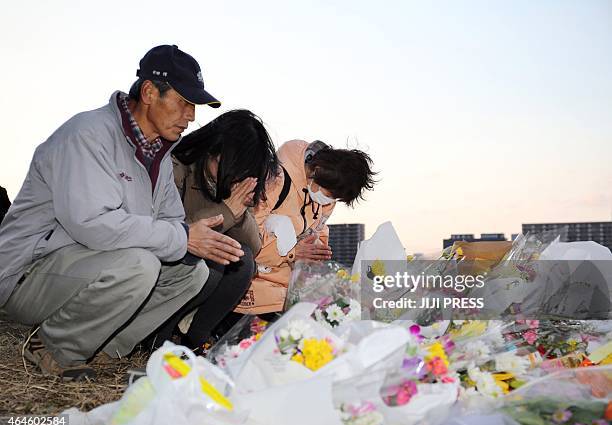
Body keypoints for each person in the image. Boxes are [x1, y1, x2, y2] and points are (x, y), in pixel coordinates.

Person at [0, 45, 244, 380]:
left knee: (193, 272)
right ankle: (54, 346)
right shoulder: (87, 135)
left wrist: (189, 236)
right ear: (148, 92)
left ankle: (105, 348)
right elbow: (93, 225)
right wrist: (184, 236)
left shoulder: (155, 153)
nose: (191, 115)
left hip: (81, 267)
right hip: (25, 277)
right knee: (140, 265)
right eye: (184, 102)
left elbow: (171, 222)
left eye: (194, 107)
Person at [145, 109, 279, 350]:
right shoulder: (175, 167)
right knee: (213, 263)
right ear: (211, 152)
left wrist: (238, 212)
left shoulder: (232, 181)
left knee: (242, 259)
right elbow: (172, 230)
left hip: (195, 268)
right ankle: (155, 337)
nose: (237, 179)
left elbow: (254, 245)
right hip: (162, 261)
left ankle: (196, 339)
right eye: (233, 168)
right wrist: (226, 211)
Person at [235, 139, 376, 314]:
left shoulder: (325, 195)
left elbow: (319, 230)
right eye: (331, 195)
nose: (331, 201)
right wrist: (292, 253)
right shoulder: (276, 180)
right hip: (256, 288)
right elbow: (247, 239)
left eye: (337, 198)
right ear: (317, 171)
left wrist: (317, 252)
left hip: (292, 289)